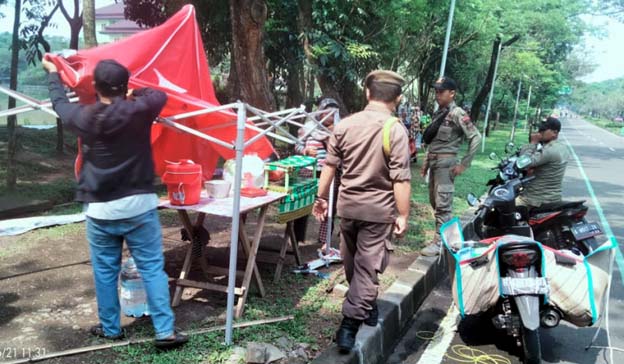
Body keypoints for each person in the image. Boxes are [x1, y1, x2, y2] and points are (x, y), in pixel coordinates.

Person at [41, 57, 187, 349]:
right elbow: (159, 94)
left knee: (105, 272)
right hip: (140, 207)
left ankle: (111, 329)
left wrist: (54, 74)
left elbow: (59, 104)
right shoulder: (140, 110)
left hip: (101, 209)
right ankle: (165, 332)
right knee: (152, 269)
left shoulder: (84, 117)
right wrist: (134, 93)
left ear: (95, 87)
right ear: (126, 86)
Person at [313, 70, 411, 353]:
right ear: (398, 97)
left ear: (368, 93)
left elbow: (329, 166)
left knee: (354, 261)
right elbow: (401, 179)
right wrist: (402, 214)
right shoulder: (395, 129)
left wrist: (320, 198)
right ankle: (350, 324)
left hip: (348, 208)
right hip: (377, 212)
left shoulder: (345, 125)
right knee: (364, 267)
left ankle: (361, 308)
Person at [420, 77, 481, 257]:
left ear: (452, 93)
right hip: (435, 163)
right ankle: (450, 237)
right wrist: (425, 163)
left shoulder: (457, 113)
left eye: (441, 91)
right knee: (436, 202)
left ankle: (439, 243)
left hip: (446, 165)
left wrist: (464, 164)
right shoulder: (440, 113)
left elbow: (476, 137)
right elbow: (434, 142)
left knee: (442, 204)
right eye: (436, 91)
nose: (437, 95)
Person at [293, 97, 341, 249]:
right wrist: (305, 150)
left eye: (333, 113)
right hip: (308, 170)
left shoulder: (340, 130)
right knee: (302, 204)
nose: (329, 116)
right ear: (320, 112)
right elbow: (297, 145)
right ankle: (296, 238)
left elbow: (342, 152)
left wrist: (330, 140)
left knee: (328, 207)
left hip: (329, 173)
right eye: (326, 112)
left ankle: (324, 240)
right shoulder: (308, 127)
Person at [517, 116, 568, 208]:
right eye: (540, 130)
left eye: (543, 130)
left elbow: (522, 163)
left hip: (535, 199)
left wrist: (532, 143)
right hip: (553, 197)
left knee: (505, 207)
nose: (539, 132)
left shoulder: (549, 150)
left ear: (555, 133)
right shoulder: (562, 148)